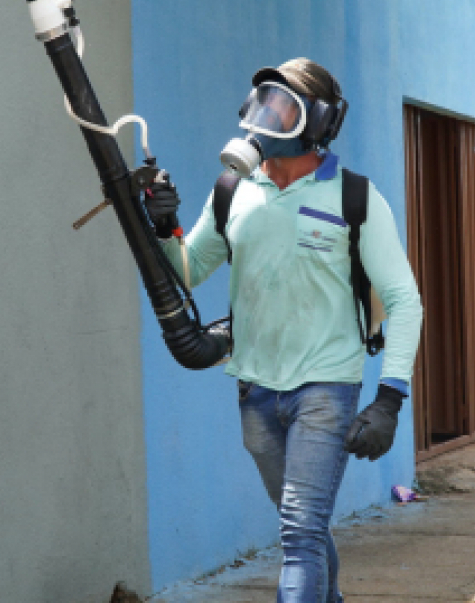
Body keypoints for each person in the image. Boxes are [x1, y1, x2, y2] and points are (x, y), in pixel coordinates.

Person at [144, 59, 423, 603]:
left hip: (326, 387)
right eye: (262, 103)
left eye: (283, 107)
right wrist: (161, 226)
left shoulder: (356, 198)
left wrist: (389, 399)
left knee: (297, 533)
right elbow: (188, 268)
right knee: (307, 528)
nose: (264, 118)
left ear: (317, 122)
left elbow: (403, 300)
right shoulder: (233, 189)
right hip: (255, 389)